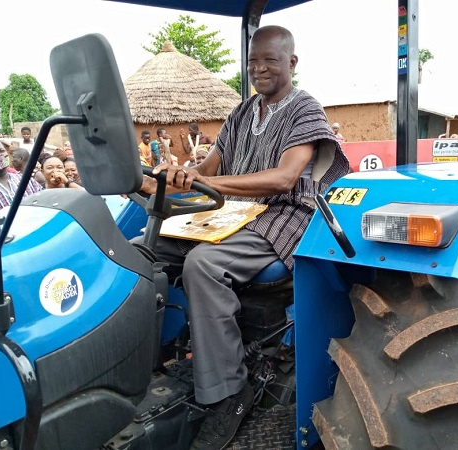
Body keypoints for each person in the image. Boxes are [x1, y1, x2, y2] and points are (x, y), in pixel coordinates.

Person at [138, 25, 349, 450]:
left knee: (205, 264)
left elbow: (285, 178)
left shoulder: (305, 109)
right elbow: (211, 169)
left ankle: (228, 392)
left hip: (285, 215)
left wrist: (212, 185)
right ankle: (142, 364)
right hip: (235, 213)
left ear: (292, 62)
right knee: (142, 251)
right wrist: (181, 176)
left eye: (270, 60)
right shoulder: (242, 111)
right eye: (253, 61)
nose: (259, 68)